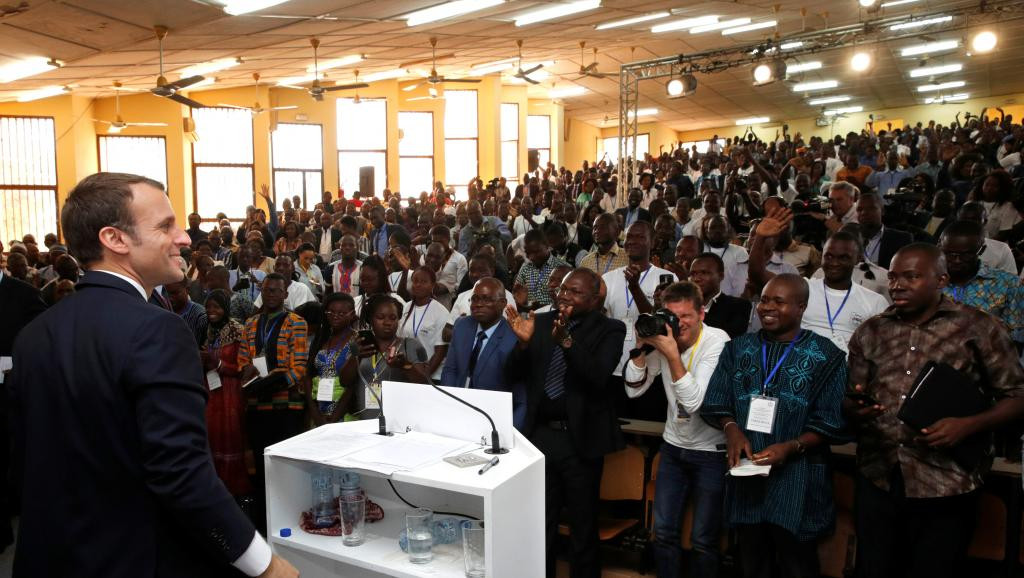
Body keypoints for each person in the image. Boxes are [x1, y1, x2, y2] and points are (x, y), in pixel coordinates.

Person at [8, 173, 296, 577]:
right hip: (136, 558)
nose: (184, 238)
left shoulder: (34, 334)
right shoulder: (157, 330)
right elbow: (181, 474)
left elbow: (26, 465)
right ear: (116, 239)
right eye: (165, 226)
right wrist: (267, 566)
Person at [846, 244, 1024, 578]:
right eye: (895, 276)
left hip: (945, 481)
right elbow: (853, 398)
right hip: (879, 475)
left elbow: (1017, 397)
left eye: (911, 277)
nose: (897, 285)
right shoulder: (871, 331)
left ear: (941, 280)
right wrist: (855, 409)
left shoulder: (979, 328)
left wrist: (968, 425)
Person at [701, 274, 847, 578]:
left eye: (778, 301)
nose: (767, 307)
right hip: (748, 475)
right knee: (751, 561)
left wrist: (792, 446)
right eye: (764, 300)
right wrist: (731, 428)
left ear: (801, 307)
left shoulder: (826, 355)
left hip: (798, 479)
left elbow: (832, 420)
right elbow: (715, 399)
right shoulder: (738, 348)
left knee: (797, 563)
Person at [505, 268, 626, 578]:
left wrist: (568, 343)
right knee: (540, 523)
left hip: (580, 441)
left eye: (575, 292)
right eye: (562, 290)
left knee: (583, 526)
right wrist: (522, 345)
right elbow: (511, 375)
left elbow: (598, 377)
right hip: (540, 437)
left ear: (595, 298)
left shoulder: (611, 329)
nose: (565, 296)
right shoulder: (540, 322)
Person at [623, 282, 730, 578]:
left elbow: (695, 402)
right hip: (673, 448)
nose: (678, 323)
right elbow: (634, 390)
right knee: (665, 532)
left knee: (703, 540)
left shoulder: (716, 341)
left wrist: (671, 354)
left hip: (711, 452)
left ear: (702, 315)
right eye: (672, 315)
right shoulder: (664, 336)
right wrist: (641, 351)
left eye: (686, 316)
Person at [238, 273, 309, 533]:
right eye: (266, 290)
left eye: (276, 291)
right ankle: (266, 528)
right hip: (257, 409)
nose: (270, 295)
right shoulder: (250, 324)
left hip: (286, 408)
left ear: (285, 294)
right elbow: (243, 363)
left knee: (285, 469)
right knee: (260, 472)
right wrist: (254, 375)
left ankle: (291, 523)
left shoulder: (296, 323)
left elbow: (298, 367)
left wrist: (270, 380)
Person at [440, 277, 526, 428]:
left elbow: (520, 395)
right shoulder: (462, 326)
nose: (478, 304)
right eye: (474, 299)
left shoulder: (514, 336)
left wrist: (510, 433)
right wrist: (450, 404)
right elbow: (450, 370)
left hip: (494, 420)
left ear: (503, 304)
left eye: (486, 299)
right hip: (458, 411)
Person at [603, 221, 678, 378]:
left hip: (650, 369)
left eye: (640, 236)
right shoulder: (608, 278)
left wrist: (635, 288)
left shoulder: (666, 279)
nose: (632, 241)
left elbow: (662, 326)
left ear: (653, 242)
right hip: (613, 367)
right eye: (629, 236)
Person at [200, 289, 252, 498]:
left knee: (231, 435)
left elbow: (244, 366)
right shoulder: (209, 331)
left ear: (225, 309)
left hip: (231, 392)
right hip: (212, 392)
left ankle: (235, 490)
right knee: (213, 435)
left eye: (217, 307)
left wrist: (219, 364)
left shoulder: (237, 330)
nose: (212, 311)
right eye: (209, 307)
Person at [939, 220, 1024, 344]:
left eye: (966, 255)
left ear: (981, 250)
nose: (957, 260)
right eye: (950, 254)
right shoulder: (929, 280)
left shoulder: (1009, 284)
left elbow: (1015, 338)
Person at [354, 294, 431, 416]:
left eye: (393, 318)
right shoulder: (362, 346)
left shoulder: (410, 345)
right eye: (380, 317)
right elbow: (344, 382)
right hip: (364, 421)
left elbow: (425, 384)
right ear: (371, 319)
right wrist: (355, 357)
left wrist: (405, 366)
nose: (387, 322)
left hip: (400, 420)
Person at [304, 292, 359, 425]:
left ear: (352, 314)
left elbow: (354, 384)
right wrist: (314, 413)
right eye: (331, 312)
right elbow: (308, 376)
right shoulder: (321, 338)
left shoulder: (357, 340)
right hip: (318, 411)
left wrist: (334, 417)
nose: (335, 316)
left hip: (345, 413)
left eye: (341, 313)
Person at [398, 267, 450, 381]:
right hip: (407, 371)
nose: (418, 285)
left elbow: (440, 352)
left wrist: (424, 377)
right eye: (415, 281)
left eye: (423, 281)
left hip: (431, 376)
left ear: (432, 285)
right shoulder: (406, 307)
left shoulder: (441, 312)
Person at [689, 253, 752, 338]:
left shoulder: (738, 306)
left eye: (704, 273)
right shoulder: (683, 306)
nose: (697, 278)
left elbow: (729, 340)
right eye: (693, 274)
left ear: (721, 276)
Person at [956, 202, 1019, 275]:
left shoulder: (1002, 249)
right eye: (964, 220)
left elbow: (1011, 282)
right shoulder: (946, 248)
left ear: (985, 221)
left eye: (974, 220)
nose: (969, 224)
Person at [514, 229, 571, 309]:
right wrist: (520, 303)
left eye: (536, 252)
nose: (531, 257)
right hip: (527, 316)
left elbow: (568, 302)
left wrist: (539, 307)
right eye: (528, 253)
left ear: (547, 246)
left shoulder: (563, 268)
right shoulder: (525, 267)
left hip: (553, 317)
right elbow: (518, 296)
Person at [857, 192, 913, 269]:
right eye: (859, 209)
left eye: (871, 208)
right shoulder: (849, 236)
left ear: (883, 211)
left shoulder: (901, 239)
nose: (864, 213)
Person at [165, 278, 208, 347]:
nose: (170, 298)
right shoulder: (164, 311)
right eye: (167, 293)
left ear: (187, 289)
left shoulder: (200, 316)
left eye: (175, 293)